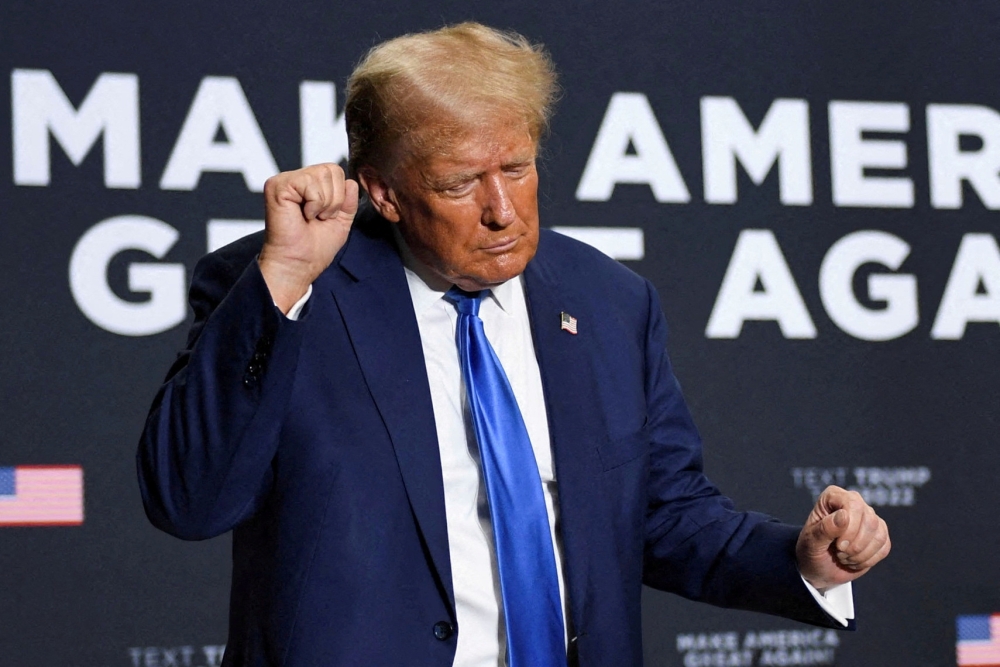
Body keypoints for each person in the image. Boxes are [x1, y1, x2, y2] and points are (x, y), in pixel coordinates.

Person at [137, 22, 890, 667]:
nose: (503, 210)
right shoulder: (286, 284)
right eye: (461, 183)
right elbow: (188, 499)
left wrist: (799, 560)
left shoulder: (607, 302)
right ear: (384, 191)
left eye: (518, 168)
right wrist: (284, 277)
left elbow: (661, 512)